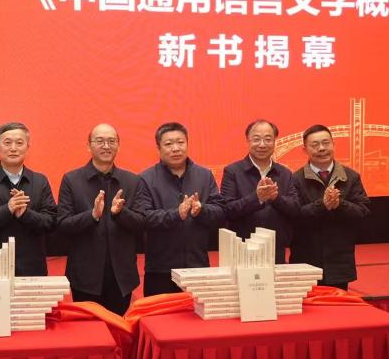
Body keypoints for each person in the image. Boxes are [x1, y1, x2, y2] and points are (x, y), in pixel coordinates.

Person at [57, 124, 143, 315]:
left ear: (118, 145)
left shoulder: (132, 181)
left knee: (118, 327)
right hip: (85, 277)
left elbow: (141, 224)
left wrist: (120, 213)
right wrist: (92, 215)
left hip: (121, 276)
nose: (106, 146)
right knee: (88, 328)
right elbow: (63, 224)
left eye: (111, 141)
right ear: (88, 146)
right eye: (100, 141)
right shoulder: (71, 180)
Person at [134, 122, 225, 296]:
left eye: (180, 142)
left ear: (187, 144)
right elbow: (143, 218)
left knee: (198, 313)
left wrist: (201, 210)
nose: (175, 148)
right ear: (158, 148)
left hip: (197, 266)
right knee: (160, 313)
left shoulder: (204, 175)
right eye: (168, 144)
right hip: (160, 269)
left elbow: (220, 211)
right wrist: (176, 214)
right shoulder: (145, 178)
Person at [290, 124, 370, 290]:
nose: (321, 148)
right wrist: (322, 205)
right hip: (306, 260)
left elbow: (363, 212)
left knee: (338, 305)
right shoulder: (295, 179)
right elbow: (293, 216)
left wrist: (340, 204)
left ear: (333, 144)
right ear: (305, 150)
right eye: (315, 145)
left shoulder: (351, 177)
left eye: (326, 143)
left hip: (339, 260)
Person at [0, 122, 57, 276]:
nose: (13, 148)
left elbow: (51, 223)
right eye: (7, 143)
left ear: (27, 147)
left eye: (19, 143)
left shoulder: (40, 181)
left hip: (33, 268)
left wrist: (26, 214)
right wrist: (7, 209)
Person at [220, 119, 299, 263]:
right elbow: (227, 210)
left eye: (268, 139)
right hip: (242, 250)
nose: (262, 145)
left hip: (276, 250)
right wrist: (257, 198)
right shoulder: (233, 171)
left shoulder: (285, 173)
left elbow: (295, 209)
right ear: (248, 141)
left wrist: (276, 198)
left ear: (274, 142)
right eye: (256, 139)